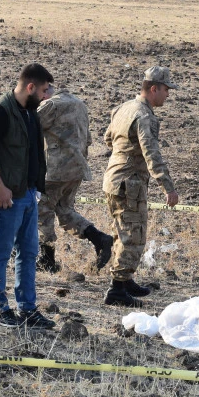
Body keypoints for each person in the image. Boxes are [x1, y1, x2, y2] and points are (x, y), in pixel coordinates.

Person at [0, 63, 58, 330]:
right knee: (0, 253)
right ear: (30, 87)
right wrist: (0, 188)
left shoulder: (31, 112)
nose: (47, 96)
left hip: (27, 195)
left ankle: (28, 309)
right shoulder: (0, 112)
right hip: (5, 197)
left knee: (28, 253)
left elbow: (34, 153)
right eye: (44, 91)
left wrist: (36, 189)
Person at [101, 66, 180, 307]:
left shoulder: (124, 108)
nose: (168, 95)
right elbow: (151, 154)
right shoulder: (144, 116)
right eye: (166, 90)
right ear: (153, 88)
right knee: (132, 236)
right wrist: (168, 187)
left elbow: (108, 138)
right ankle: (117, 290)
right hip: (129, 184)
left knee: (122, 232)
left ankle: (125, 281)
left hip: (115, 179)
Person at [36, 89, 114, 273]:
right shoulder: (79, 104)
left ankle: (47, 260)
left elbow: (28, 128)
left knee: (42, 211)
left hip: (55, 170)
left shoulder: (49, 105)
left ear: (43, 92)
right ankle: (99, 238)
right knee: (65, 210)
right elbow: (88, 140)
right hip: (77, 167)